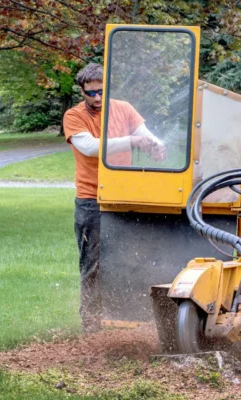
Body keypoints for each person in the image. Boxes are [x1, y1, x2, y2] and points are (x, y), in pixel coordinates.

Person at [63, 63, 165, 333]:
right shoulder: (73, 116)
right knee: (93, 267)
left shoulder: (124, 108)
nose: (96, 98)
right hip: (91, 201)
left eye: (101, 92)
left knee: (132, 260)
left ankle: (131, 321)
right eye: (90, 93)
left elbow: (147, 135)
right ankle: (92, 327)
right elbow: (91, 148)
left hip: (125, 197)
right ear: (82, 91)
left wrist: (157, 146)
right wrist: (131, 141)